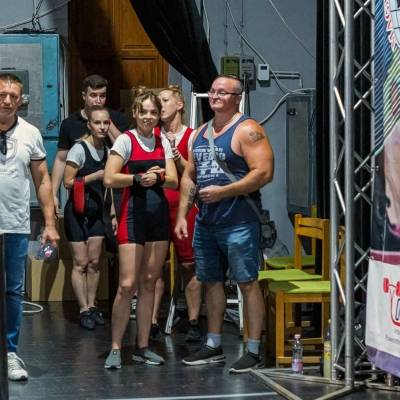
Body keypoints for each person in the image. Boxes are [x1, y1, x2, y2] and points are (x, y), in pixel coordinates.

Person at [175, 75, 274, 373]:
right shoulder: (200, 133)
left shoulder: (248, 130)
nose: (215, 96)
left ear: (237, 98)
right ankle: (213, 344)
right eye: (212, 91)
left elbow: (264, 172)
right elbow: (189, 175)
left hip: (239, 221)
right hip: (207, 221)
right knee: (211, 281)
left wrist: (224, 191)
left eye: (223, 92)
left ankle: (253, 349)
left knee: (247, 283)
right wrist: (182, 215)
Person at [103, 88, 178, 369]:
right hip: (133, 217)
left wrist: (158, 177)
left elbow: (173, 180)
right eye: (143, 111)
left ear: (159, 115)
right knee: (127, 285)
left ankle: (142, 346)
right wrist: (136, 178)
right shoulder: (126, 140)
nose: (148, 116)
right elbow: (110, 178)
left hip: (158, 218)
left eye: (153, 112)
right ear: (135, 113)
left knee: (149, 283)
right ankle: (115, 347)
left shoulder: (163, 140)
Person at [0, 73, 59, 380]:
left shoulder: (31, 133)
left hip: (15, 224)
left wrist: (50, 223)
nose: (7, 101)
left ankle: (10, 353)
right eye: (2, 95)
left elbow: (43, 180)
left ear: (21, 101)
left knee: (13, 290)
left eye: (13, 96)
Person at [149, 85, 202, 342]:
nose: (161, 105)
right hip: (157, 206)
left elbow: (193, 173)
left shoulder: (192, 136)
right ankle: (151, 322)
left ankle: (193, 321)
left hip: (184, 207)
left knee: (189, 264)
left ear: (179, 104)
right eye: (157, 101)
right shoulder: (151, 134)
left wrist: (175, 154)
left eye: (165, 100)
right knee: (154, 267)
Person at [63, 105, 116, 330]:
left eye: (105, 123)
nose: (102, 127)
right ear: (89, 125)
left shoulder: (108, 150)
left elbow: (110, 186)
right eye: (97, 123)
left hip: (97, 212)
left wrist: (112, 212)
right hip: (77, 211)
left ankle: (93, 305)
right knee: (81, 263)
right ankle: (83, 308)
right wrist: (94, 176)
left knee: (95, 262)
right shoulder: (79, 149)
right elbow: (67, 182)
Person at [52, 74, 130, 212]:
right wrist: (53, 194)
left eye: (102, 96)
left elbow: (125, 149)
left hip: (113, 192)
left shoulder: (118, 119)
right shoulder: (70, 123)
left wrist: (107, 120)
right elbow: (61, 159)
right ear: (84, 96)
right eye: (93, 95)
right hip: (83, 194)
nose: (98, 100)